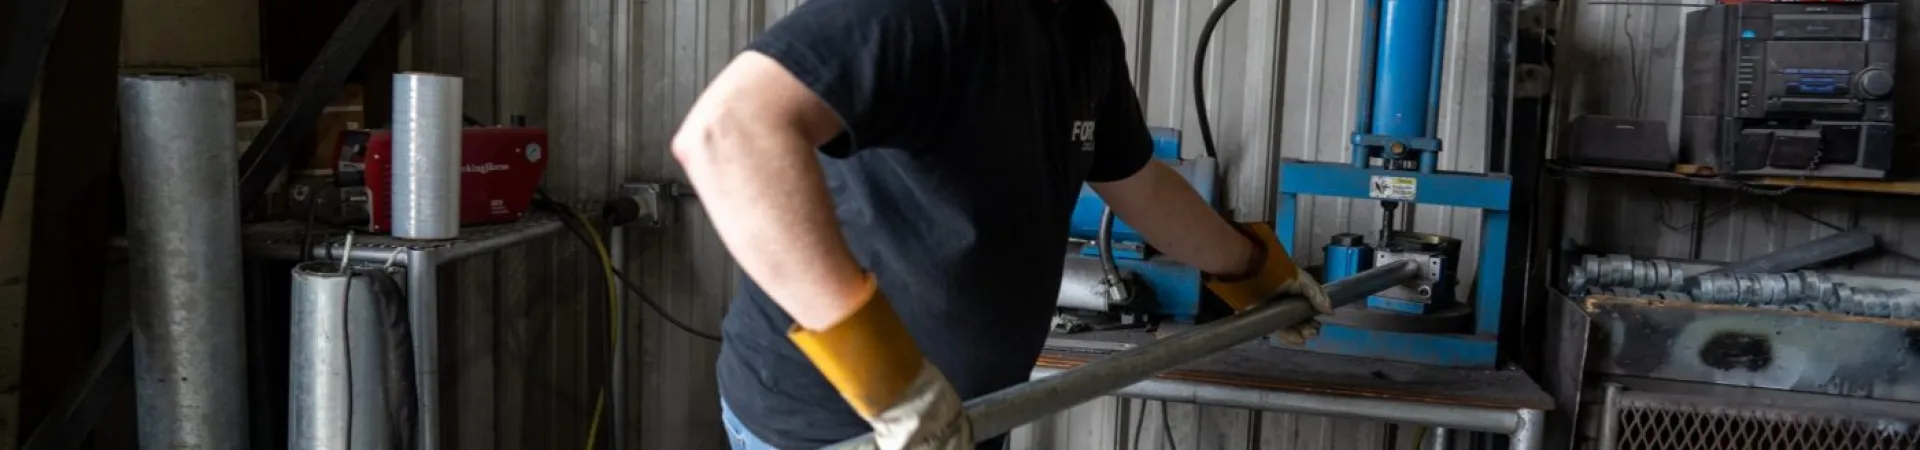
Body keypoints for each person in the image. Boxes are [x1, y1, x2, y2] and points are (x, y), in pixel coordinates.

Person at [671, 0, 1331, 448]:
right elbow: (729, 134)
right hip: (834, 425)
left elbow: (1139, 182)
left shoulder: (1081, 23)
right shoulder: (926, 9)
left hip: (958, 418)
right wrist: (887, 382)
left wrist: (1255, 271)